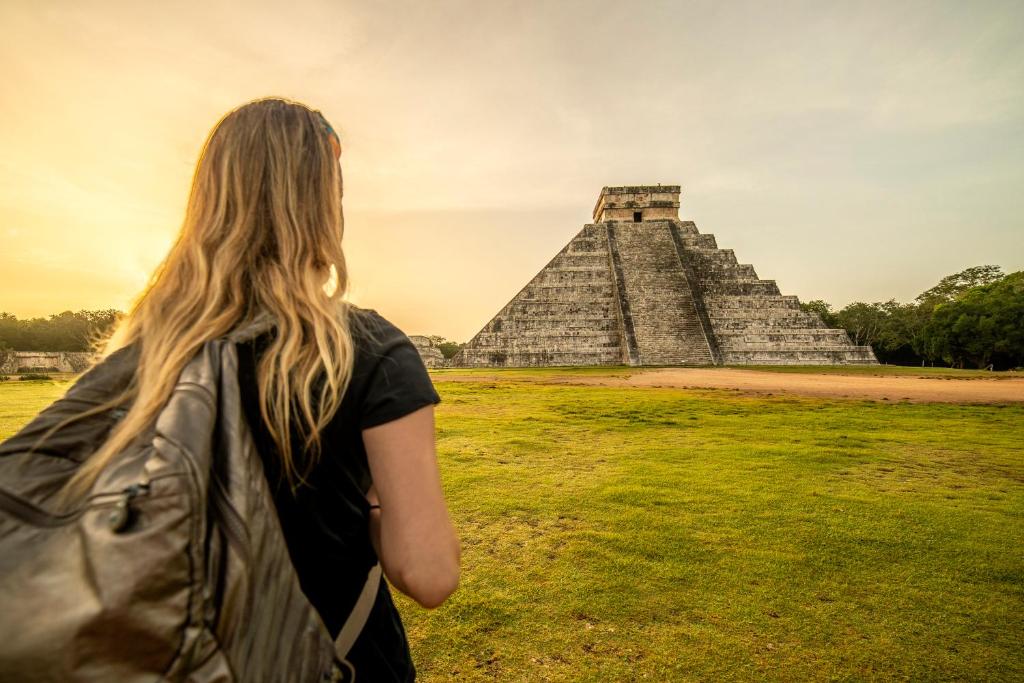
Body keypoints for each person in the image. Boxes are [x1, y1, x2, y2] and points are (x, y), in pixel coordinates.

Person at [74, 97, 460, 681]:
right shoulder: (368, 348)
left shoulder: (145, 351)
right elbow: (429, 574)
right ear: (320, 205)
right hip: (339, 658)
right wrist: (373, 503)